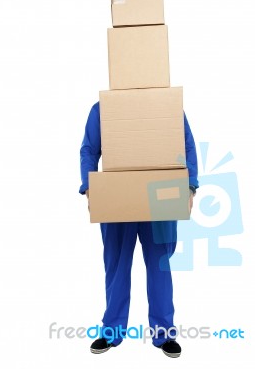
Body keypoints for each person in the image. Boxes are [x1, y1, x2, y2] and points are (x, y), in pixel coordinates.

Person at [79, 101, 198, 357]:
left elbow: (186, 144)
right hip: (117, 194)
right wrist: (89, 186)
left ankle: (164, 334)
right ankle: (111, 331)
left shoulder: (168, 105)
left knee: (160, 266)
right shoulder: (104, 109)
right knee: (116, 266)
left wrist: (190, 185)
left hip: (161, 193)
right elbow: (89, 148)